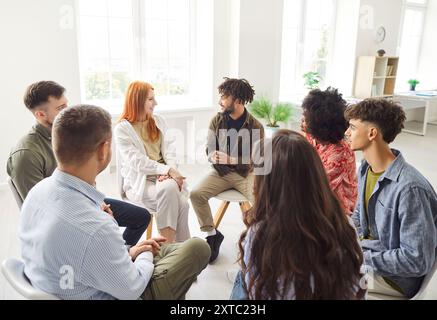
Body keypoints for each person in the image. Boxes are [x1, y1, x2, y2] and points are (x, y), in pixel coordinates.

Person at [20, 105, 210, 300]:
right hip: (118, 292)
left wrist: (132, 251)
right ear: (103, 150)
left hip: (65, 283)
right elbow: (132, 288)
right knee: (199, 249)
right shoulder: (96, 229)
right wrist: (143, 255)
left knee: (175, 249)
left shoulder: (36, 192)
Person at [7, 81, 150, 246]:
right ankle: (112, 256)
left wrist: (98, 204)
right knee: (105, 232)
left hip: (84, 201)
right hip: (62, 219)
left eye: (66, 105)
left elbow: (82, 177)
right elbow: (42, 209)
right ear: (40, 115)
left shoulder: (67, 135)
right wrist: (95, 212)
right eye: (60, 108)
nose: (68, 111)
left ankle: (118, 254)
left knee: (141, 217)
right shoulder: (26, 154)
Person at [231, 130, 365, 300]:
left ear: (267, 183)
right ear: (315, 173)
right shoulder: (344, 223)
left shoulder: (260, 235)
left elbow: (257, 294)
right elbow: (358, 286)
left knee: (241, 277)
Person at [345, 98, 437, 299]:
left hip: (395, 279)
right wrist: (345, 242)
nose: (346, 133)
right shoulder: (366, 169)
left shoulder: (410, 189)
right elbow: (360, 216)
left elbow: (417, 260)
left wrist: (360, 257)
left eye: (352, 127)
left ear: (372, 133)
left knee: (321, 278)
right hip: (371, 258)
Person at [190, 77, 264, 263]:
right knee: (196, 194)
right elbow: (208, 147)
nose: (220, 101)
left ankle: (257, 240)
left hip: (245, 174)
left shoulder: (256, 126)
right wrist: (211, 155)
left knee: (262, 201)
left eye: (224, 97)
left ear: (237, 100)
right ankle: (212, 235)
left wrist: (233, 159)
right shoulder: (216, 120)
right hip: (220, 173)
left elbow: (258, 159)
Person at [115, 81, 190, 243]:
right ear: (137, 100)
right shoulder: (122, 129)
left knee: (183, 203)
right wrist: (167, 171)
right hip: (140, 182)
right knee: (177, 198)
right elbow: (137, 162)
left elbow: (170, 151)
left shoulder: (158, 120)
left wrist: (169, 171)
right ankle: (172, 249)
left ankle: (177, 251)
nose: (155, 103)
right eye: (151, 99)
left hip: (165, 176)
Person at [300, 87, 358, 215]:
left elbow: (309, 186)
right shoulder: (314, 137)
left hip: (336, 213)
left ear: (319, 123)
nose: (301, 121)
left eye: (305, 118)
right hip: (317, 201)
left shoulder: (339, 154)